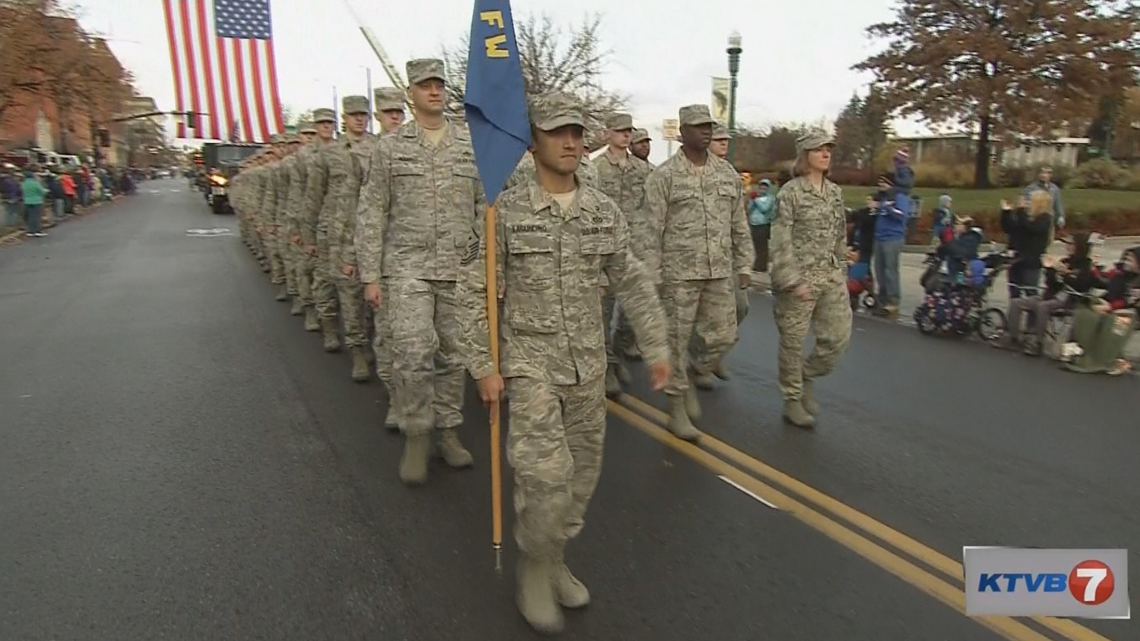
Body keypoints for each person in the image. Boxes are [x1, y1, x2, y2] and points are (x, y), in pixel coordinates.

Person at [456, 90, 669, 635]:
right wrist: (484, 365)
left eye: (577, 130)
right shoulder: (504, 211)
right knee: (545, 478)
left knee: (581, 481)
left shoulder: (602, 210)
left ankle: (553, 557)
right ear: (534, 140)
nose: (570, 140)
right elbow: (474, 292)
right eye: (557, 131)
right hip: (529, 366)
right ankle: (533, 569)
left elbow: (632, 280)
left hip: (586, 369)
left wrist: (658, 345)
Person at [357, 58, 480, 484]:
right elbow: (372, 211)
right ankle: (417, 433)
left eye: (439, 84)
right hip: (406, 268)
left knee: (452, 355)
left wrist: (484, 265)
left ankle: (447, 431)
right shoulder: (390, 148)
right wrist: (371, 275)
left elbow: (485, 208)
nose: (434, 91)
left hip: (458, 268)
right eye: (425, 85)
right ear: (409, 93)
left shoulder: (469, 144)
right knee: (411, 351)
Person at [639, 104, 753, 441]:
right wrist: (652, 273)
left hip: (718, 270)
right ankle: (675, 409)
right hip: (678, 274)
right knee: (674, 340)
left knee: (723, 335)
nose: (706, 131)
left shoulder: (727, 175)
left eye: (709, 126)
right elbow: (649, 229)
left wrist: (744, 263)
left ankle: (692, 370)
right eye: (698, 126)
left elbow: (738, 223)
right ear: (682, 133)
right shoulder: (664, 176)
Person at [769, 129, 852, 428]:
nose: (826, 153)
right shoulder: (791, 192)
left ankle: (808, 373)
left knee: (837, 338)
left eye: (828, 148)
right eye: (819, 149)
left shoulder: (834, 193)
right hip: (798, 280)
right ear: (806, 155)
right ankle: (792, 399)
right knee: (792, 342)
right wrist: (791, 279)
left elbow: (839, 235)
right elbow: (779, 240)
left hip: (829, 276)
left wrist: (841, 269)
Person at [343, 86, 407, 426]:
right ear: (378, 116)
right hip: (385, 257)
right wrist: (360, 262)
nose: (395, 116)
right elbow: (354, 209)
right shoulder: (361, 154)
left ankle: (436, 417)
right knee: (388, 334)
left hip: (423, 260)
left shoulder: (417, 146)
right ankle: (396, 399)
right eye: (389, 112)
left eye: (400, 111)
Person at [594, 112, 653, 396]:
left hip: (635, 250)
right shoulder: (594, 169)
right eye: (619, 131)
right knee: (603, 314)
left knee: (631, 313)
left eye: (629, 131)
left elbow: (652, 208)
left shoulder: (643, 171)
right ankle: (607, 366)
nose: (626, 135)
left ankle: (617, 354)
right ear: (608, 134)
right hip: (604, 252)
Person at [321, 95, 373, 382]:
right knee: (352, 299)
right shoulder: (332, 154)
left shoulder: (380, 148)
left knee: (376, 304)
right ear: (345, 118)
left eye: (363, 114)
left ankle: (375, 346)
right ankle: (357, 353)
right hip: (343, 233)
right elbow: (316, 196)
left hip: (376, 236)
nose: (359, 119)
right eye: (353, 114)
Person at [996, 232, 1098, 355]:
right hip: (1051, 295)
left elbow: (1082, 285)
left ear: (1080, 246)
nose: (1067, 246)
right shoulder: (1065, 261)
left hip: (1070, 298)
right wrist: (1051, 271)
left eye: (1071, 244)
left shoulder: (1086, 265)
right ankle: (1013, 337)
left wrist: (1066, 274)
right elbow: (1051, 284)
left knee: (1043, 306)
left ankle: (1038, 343)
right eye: (1067, 244)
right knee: (1016, 302)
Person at [302, 109, 346, 343]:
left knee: (354, 285)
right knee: (325, 278)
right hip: (327, 226)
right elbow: (311, 196)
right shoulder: (309, 155)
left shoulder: (344, 151)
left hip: (351, 226)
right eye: (322, 123)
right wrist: (307, 235)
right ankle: (328, 325)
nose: (327, 126)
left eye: (330, 122)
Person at [1063, 247, 1140, 375]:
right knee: (1084, 314)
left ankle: (1106, 359)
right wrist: (1093, 270)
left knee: (1112, 323)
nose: (1127, 261)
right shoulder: (1118, 272)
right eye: (1126, 258)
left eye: (1130, 259)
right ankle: (1077, 352)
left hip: (1129, 313)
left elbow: (1130, 301)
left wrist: (1110, 307)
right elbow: (1103, 281)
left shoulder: (1136, 281)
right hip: (1109, 306)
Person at [284, 120, 319, 317]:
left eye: (312, 133)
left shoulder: (332, 154)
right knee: (304, 267)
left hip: (328, 220)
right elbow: (293, 195)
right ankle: (307, 306)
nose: (310, 137)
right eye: (306, 134)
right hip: (303, 218)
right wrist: (294, 228)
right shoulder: (294, 162)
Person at [871, 173, 910, 317]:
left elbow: (901, 215)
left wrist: (885, 207)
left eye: (883, 183)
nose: (880, 186)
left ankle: (893, 301)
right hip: (879, 238)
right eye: (879, 183)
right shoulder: (882, 198)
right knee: (879, 271)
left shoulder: (899, 197)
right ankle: (882, 300)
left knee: (890, 271)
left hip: (893, 238)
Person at [1000, 192, 1052, 299]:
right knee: (1014, 292)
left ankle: (1034, 315)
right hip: (1016, 259)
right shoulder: (1024, 217)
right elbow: (1009, 228)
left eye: (1030, 200)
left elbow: (1032, 228)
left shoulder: (1044, 218)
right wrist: (1006, 212)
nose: (1027, 202)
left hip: (1030, 261)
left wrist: (1020, 211)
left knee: (1030, 292)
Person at [1023, 165, 1065, 242]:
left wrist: (1061, 216)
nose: (1045, 175)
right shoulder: (1030, 188)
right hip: (1035, 220)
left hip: (1049, 220)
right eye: (1043, 172)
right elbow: (1025, 203)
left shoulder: (1054, 189)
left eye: (1048, 173)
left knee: (1048, 241)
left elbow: (1058, 203)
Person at [748, 178, 776, 272]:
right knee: (756, 246)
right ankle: (757, 264)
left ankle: (763, 266)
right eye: (761, 185)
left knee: (763, 246)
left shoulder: (770, 198)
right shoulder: (756, 197)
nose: (763, 187)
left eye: (765, 185)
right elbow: (749, 209)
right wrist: (752, 200)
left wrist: (756, 199)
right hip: (754, 224)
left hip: (763, 224)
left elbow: (764, 208)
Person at [20, 169, 47, 237]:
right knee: (36, 217)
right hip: (37, 201)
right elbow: (42, 192)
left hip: (27, 201)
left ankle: (30, 231)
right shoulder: (35, 183)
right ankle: (37, 231)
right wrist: (45, 191)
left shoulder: (24, 184)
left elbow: (22, 192)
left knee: (30, 216)